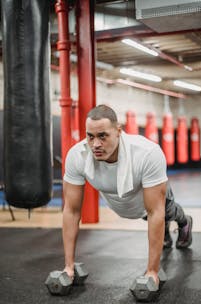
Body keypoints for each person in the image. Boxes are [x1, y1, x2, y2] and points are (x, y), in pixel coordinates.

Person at [62, 105, 193, 285]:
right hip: (127, 204)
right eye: (90, 136)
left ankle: (185, 222)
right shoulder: (77, 156)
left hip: (150, 200)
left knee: (167, 213)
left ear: (118, 131)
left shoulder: (147, 153)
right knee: (151, 218)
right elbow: (71, 210)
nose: (96, 144)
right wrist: (69, 266)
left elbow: (156, 211)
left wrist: (152, 271)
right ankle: (164, 233)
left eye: (103, 136)